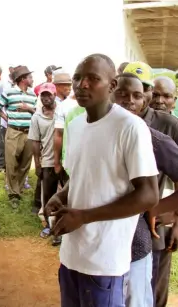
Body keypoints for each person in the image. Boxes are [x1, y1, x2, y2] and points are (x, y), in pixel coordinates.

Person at [45, 54, 159, 306]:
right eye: (77, 78)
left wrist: (84, 216)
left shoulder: (129, 127)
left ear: (112, 85)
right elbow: (83, 176)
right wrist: (61, 195)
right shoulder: (75, 126)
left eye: (93, 79)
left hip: (103, 262)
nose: (81, 84)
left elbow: (149, 194)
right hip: (71, 256)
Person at [112, 72, 178, 307]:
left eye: (138, 94)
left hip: (147, 228)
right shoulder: (93, 129)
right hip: (105, 236)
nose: (129, 101)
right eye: (121, 94)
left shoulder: (157, 136)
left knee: (145, 290)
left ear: (144, 100)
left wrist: (160, 209)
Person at [0, 66, 37, 209]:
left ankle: (17, 188)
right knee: (11, 163)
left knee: (25, 163)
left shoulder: (33, 95)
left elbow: (36, 112)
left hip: (29, 132)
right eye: (29, 77)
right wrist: (7, 118)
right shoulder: (9, 92)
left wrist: (28, 109)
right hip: (13, 131)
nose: (32, 79)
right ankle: (14, 194)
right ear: (23, 79)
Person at [28, 83, 61, 246]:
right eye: (43, 95)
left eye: (49, 95)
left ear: (55, 95)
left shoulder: (63, 111)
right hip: (47, 161)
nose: (46, 98)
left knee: (66, 194)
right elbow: (34, 141)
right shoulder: (36, 117)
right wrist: (37, 162)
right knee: (48, 196)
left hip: (65, 161)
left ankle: (62, 226)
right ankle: (50, 226)